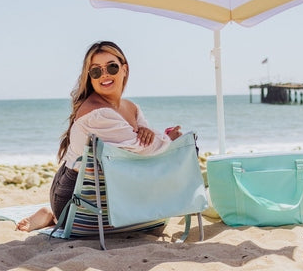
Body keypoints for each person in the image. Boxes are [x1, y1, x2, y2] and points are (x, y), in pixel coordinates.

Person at [17, 40, 183, 232]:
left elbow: (147, 140)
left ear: (124, 69)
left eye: (112, 67)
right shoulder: (97, 114)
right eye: (96, 71)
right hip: (76, 195)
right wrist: (170, 139)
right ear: (90, 77)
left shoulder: (132, 107)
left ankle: (51, 216)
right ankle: (52, 214)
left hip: (115, 190)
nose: (104, 74)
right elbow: (143, 149)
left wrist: (149, 133)